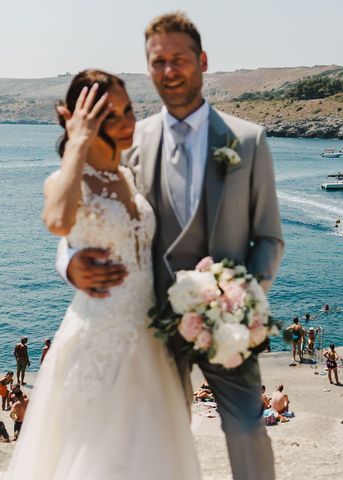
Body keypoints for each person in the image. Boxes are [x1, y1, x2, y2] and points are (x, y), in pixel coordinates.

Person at [50, 13, 284, 480]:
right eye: (158, 62)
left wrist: (241, 298)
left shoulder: (248, 140)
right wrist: (70, 262)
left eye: (178, 59)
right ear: (149, 69)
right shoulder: (132, 140)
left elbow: (269, 237)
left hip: (226, 322)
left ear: (202, 61)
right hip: (148, 324)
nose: (169, 70)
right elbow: (89, 210)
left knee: (245, 427)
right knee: (162, 433)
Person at [8, 68, 201, 479]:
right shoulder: (66, 181)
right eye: (110, 116)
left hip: (154, 344)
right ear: (83, 121)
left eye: (129, 110)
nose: (128, 121)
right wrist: (68, 263)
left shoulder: (133, 176)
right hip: (99, 340)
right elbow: (59, 222)